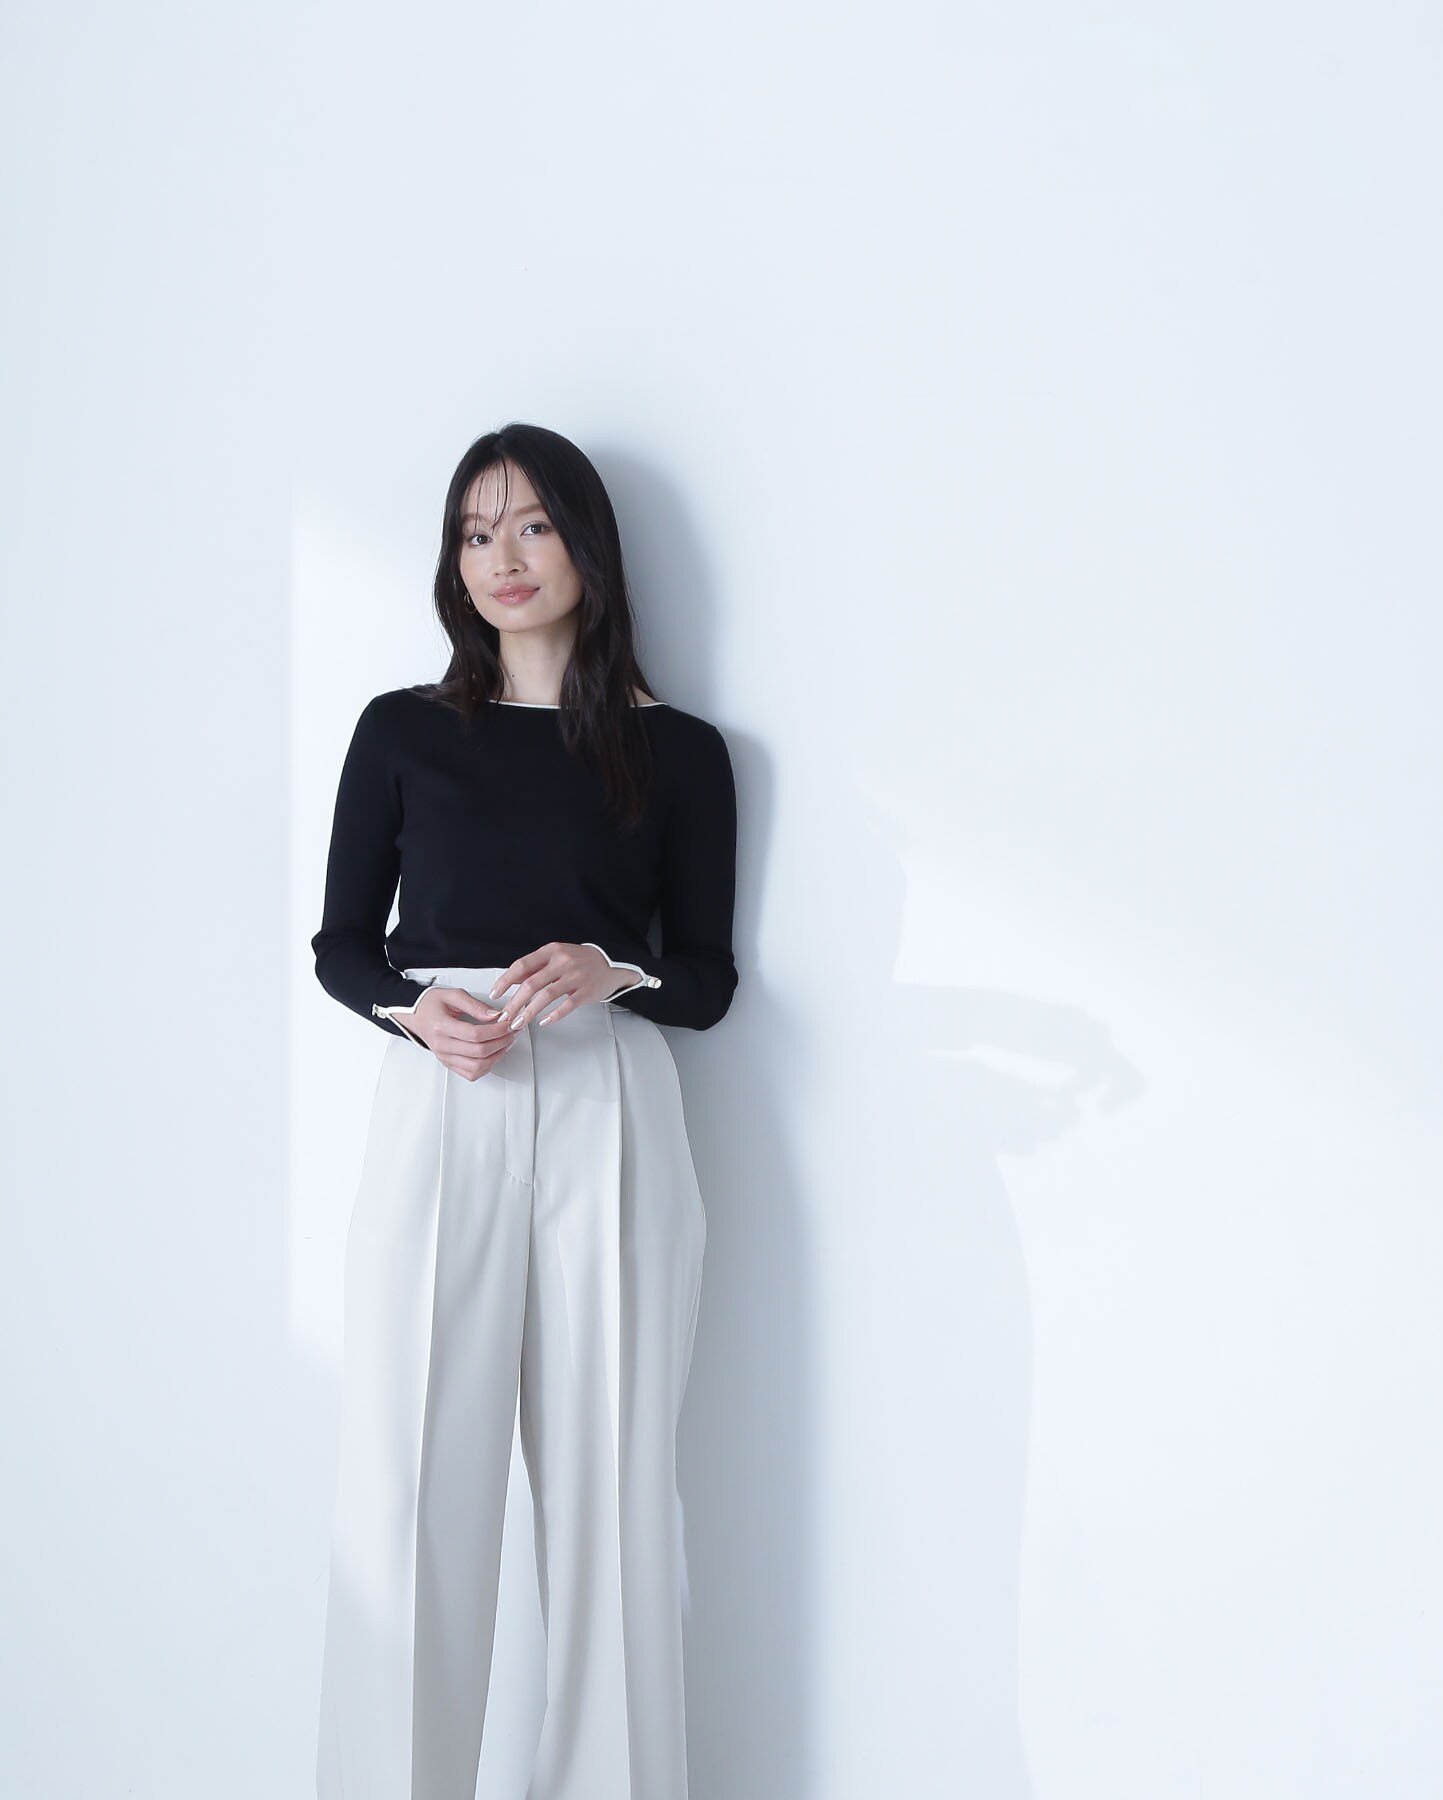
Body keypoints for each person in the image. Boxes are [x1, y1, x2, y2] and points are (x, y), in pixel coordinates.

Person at [310, 422, 738, 1800]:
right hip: (445, 1092)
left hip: (611, 1097)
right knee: (410, 1478)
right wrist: (408, 1007)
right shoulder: (400, 732)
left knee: (615, 1487)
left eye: (533, 525)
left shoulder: (680, 754)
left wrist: (619, 970)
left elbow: (709, 981)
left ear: (586, 546)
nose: (502, 557)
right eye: (475, 531)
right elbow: (339, 945)